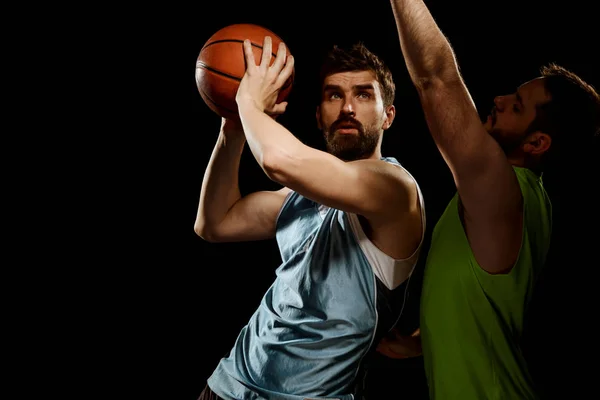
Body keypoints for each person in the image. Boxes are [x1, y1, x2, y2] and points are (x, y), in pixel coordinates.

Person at [382, 0, 600, 399]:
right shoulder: (528, 199)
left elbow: (436, 78)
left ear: (537, 142)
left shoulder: (501, 191)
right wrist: (426, 339)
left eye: (516, 107)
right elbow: (489, 301)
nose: (499, 100)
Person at [194, 37, 426, 400]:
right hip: (228, 385)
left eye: (364, 95)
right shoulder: (301, 196)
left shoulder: (396, 190)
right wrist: (234, 128)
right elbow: (214, 223)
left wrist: (248, 102)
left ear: (388, 116)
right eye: (334, 95)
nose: (348, 107)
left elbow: (278, 161)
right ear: (319, 115)